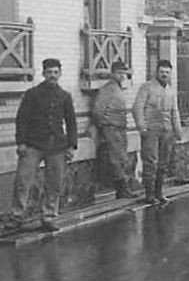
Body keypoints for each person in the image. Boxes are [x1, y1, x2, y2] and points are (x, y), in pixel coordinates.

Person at [11, 58, 78, 232]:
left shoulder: (65, 96)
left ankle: (49, 216)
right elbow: (22, 119)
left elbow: (71, 122)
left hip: (56, 146)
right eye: (49, 72)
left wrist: (71, 146)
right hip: (33, 144)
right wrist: (21, 142)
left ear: (60, 74)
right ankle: (17, 216)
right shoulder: (32, 94)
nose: (52, 76)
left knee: (54, 183)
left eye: (56, 72)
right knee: (23, 180)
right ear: (43, 73)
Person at [133, 60, 184, 206]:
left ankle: (159, 193)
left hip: (167, 131)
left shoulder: (171, 90)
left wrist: (178, 130)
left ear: (170, 74)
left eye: (167, 72)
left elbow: (175, 112)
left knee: (163, 163)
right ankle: (149, 195)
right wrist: (142, 127)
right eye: (162, 72)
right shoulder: (146, 88)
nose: (164, 74)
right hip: (151, 131)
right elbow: (137, 108)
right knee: (151, 162)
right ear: (156, 72)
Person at [93, 60, 135, 197]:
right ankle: (122, 189)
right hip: (111, 127)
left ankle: (123, 189)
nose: (122, 76)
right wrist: (103, 126)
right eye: (119, 73)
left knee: (122, 158)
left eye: (124, 73)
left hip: (120, 127)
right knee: (117, 158)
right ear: (112, 73)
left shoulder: (119, 88)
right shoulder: (108, 89)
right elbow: (98, 110)